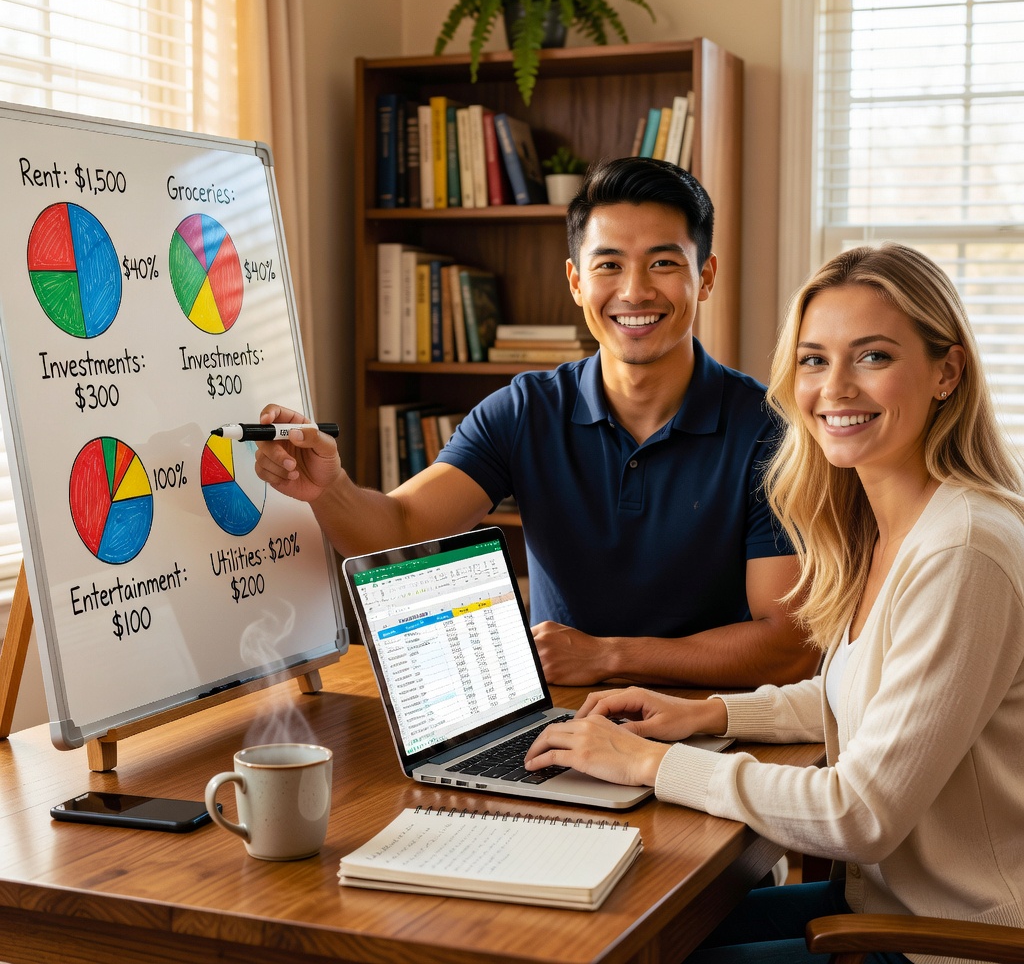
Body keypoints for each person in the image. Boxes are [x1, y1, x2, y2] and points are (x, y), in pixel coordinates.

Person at [524, 243, 1024, 962]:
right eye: (815, 360)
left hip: (948, 941)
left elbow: (861, 815)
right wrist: (710, 713)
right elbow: (865, 695)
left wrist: (648, 764)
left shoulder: (962, 551)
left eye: (874, 357)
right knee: (619, 926)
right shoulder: (893, 527)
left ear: (947, 372)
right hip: (882, 902)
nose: (835, 389)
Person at [255, 157, 819, 689]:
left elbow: (788, 645)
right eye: (609, 265)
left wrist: (609, 656)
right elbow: (402, 530)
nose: (635, 291)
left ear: (707, 275)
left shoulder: (771, 432)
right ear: (576, 282)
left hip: (710, 722)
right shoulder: (526, 410)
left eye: (664, 263)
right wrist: (331, 490)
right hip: (561, 722)